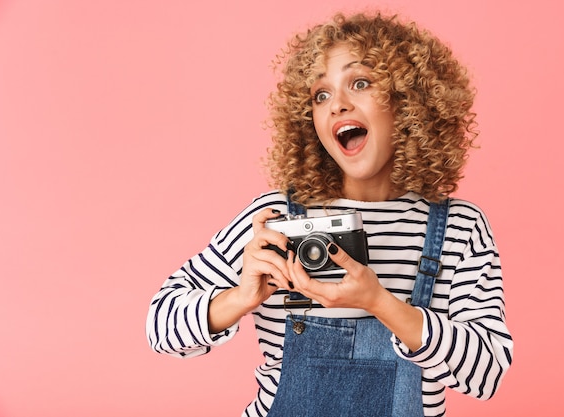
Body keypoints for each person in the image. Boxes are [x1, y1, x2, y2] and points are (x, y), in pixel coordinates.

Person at [146, 11, 513, 417]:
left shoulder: (459, 228)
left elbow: (488, 372)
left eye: (360, 83)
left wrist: (380, 302)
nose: (338, 105)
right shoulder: (275, 218)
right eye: (321, 95)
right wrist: (239, 298)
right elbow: (160, 327)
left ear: (409, 102)